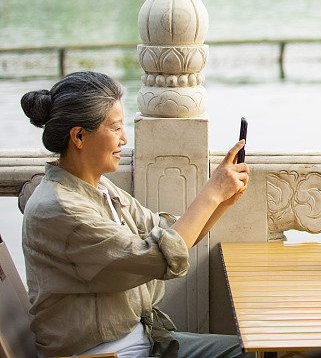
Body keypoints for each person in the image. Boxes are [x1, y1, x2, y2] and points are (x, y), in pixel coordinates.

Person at [19, 71, 253, 358]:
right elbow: (158, 254)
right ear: (79, 136)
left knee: (255, 351)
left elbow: (169, 232)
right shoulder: (60, 209)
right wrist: (212, 193)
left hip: (140, 339)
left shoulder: (97, 187)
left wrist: (222, 200)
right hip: (104, 354)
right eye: (115, 128)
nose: (124, 139)